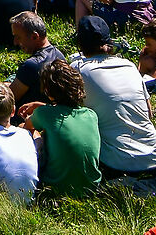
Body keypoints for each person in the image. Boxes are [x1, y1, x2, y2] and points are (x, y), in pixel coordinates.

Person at [68, 16, 156, 181]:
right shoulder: (129, 65)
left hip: (118, 164)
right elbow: (149, 113)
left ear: (80, 44)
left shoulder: (78, 70)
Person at [22, 59, 103, 198]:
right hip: (91, 189)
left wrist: (40, 110)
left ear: (48, 91)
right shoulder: (91, 115)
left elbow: (26, 127)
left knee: (31, 134)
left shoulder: (44, 114)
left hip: (55, 189)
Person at [4, 10, 64, 105]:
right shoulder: (59, 55)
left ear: (35, 37)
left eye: (18, 37)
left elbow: (5, 103)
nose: (15, 42)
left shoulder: (31, 65)